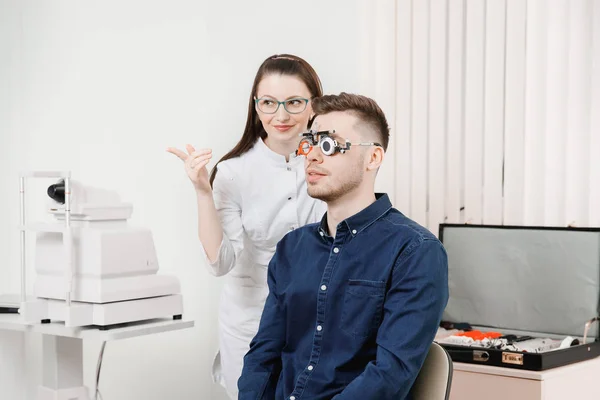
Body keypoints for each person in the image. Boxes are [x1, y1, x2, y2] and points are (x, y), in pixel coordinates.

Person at [238, 93, 449, 400]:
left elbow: (389, 376)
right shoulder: (292, 249)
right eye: (309, 143)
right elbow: (263, 357)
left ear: (373, 158)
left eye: (329, 145)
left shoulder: (415, 251)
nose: (311, 156)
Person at [167, 54, 327, 399]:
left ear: (314, 106)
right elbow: (219, 263)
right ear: (256, 107)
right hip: (250, 323)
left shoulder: (328, 163)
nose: (280, 116)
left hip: (315, 321)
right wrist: (202, 191)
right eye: (268, 103)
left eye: (294, 103)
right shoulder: (233, 172)